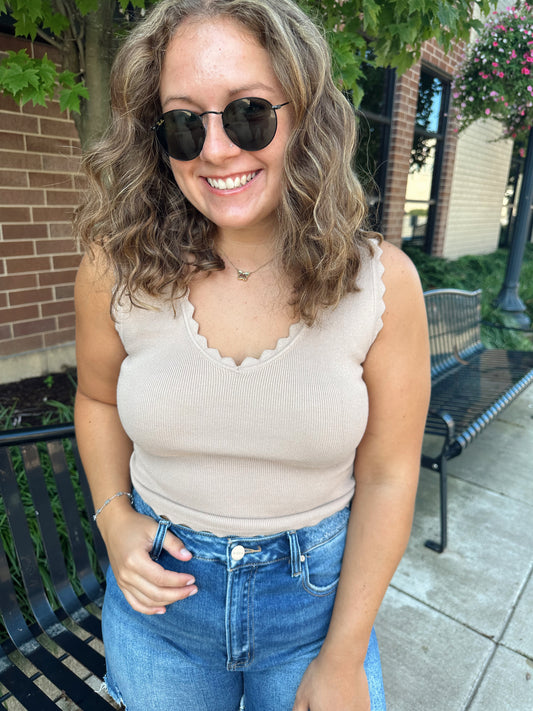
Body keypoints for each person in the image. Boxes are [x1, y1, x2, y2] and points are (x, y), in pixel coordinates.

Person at [73, 0, 430, 709]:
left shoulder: (381, 282)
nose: (215, 150)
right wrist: (113, 515)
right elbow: (97, 398)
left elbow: (389, 475)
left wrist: (344, 655)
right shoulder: (113, 269)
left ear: (303, 116)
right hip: (158, 618)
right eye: (183, 122)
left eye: (247, 113)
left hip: (314, 620)